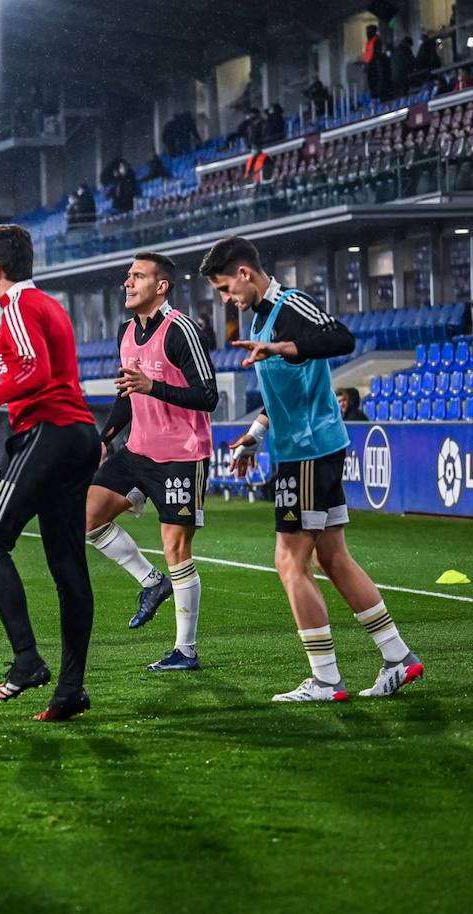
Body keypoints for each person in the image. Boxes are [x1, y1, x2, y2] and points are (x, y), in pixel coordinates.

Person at [201, 235, 422, 702]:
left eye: (224, 289)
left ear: (244, 274)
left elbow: (341, 338)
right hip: (308, 447)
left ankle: (325, 679)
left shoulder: (290, 305)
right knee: (332, 557)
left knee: (288, 561)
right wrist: (256, 436)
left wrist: (286, 347)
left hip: (307, 452)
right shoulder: (258, 317)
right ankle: (398, 657)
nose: (225, 300)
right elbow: (283, 392)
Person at [0, 224, 100, 721]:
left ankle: (27, 660)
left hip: (48, 432)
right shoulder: (48, 305)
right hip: (79, 435)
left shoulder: (15, 305)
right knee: (67, 567)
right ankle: (69, 691)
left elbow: (34, 376)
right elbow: (40, 365)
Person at [86, 253, 218, 671]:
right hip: (138, 450)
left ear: (161, 286)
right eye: (127, 275)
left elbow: (208, 395)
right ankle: (151, 582)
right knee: (86, 517)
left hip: (182, 455)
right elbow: (128, 394)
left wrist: (153, 385)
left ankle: (186, 651)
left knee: (175, 548)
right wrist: (105, 438)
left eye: (138, 276)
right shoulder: (126, 331)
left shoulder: (181, 329)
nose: (128, 282)